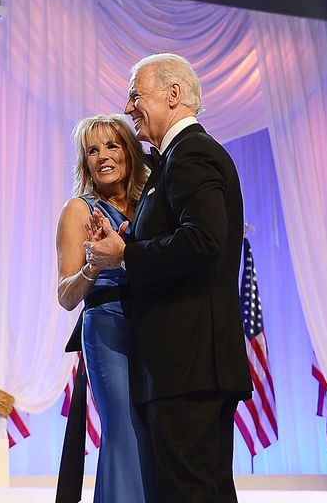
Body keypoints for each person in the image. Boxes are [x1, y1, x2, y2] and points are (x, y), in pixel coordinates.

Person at [85, 53, 253, 503]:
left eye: (136, 95)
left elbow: (202, 241)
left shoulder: (191, 153)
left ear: (173, 95)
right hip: (188, 366)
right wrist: (131, 235)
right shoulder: (174, 159)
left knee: (187, 492)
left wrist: (128, 255)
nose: (128, 107)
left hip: (188, 366)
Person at [54, 114, 152, 503]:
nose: (103, 156)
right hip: (107, 327)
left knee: (155, 430)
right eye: (92, 150)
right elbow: (66, 295)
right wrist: (94, 264)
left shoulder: (151, 203)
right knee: (123, 431)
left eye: (112, 145)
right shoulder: (79, 210)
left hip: (156, 325)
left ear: (130, 152)